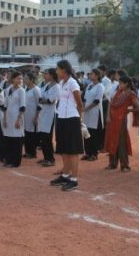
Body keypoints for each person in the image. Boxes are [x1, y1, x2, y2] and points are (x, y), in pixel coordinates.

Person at [50, 60, 84, 191]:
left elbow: (79, 103)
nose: (56, 71)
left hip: (72, 118)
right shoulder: (61, 83)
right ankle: (65, 175)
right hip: (62, 118)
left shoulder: (72, 83)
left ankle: (74, 179)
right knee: (63, 148)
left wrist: (80, 119)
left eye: (58, 69)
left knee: (73, 150)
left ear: (64, 70)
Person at [104, 75, 139, 172]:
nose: (119, 85)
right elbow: (111, 104)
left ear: (127, 84)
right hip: (112, 120)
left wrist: (129, 111)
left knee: (121, 143)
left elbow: (138, 107)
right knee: (112, 140)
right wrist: (108, 116)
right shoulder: (118, 92)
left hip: (121, 121)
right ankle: (112, 163)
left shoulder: (130, 94)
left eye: (121, 83)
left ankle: (124, 165)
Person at [2, 71, 26, 168]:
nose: (20, 80)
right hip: (8, 117)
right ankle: (8, 160)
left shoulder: (21, 91)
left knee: (16, 140)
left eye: (21, 78)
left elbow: (22, 107)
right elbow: (5, 105)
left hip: (17, 117)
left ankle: (15, 162)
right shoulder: (8, 90)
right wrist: (4, 118)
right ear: (13, 79)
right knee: (8, 139)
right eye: (18, 78)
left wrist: (18, 120)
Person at [38, 68, 59, 167]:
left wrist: (43, 101)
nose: (45, 75)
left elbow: (51, 101)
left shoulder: (56, 87)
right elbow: (40, 97)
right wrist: (43, 100)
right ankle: (46, 157)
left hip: (50, 114)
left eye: (46, 74)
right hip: (43, 113)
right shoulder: (46, 85)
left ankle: (51, 159)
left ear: (52, 75)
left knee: (47, 137)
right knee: (42, 137)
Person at [82, 69, 105, 161]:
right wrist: (83, 107)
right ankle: (87, 153)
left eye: (92, 74)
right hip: (87, 113)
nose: (90, 75)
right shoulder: (89, 86)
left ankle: (94, 154)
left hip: (95, 113)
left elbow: (97, 101)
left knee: (94, 133)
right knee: (86, 132)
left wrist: (86, 108)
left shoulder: (100, 86)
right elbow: (84, 98)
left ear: (97, 76)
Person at [23, 72, 41, 159]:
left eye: (26, 78)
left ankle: (32, 153)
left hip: (32, 115)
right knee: (26, 133)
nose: (24, 80)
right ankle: (27, 151)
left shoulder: (36, 90)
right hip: (26, 115)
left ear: (31, 80)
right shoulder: (26, 89)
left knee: (32, 134)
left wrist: (36, 117)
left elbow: (39, 104)